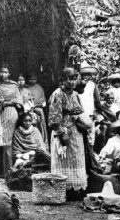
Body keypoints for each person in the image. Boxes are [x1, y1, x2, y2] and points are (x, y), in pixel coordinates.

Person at [48, 68, 87, 198]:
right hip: (63, 129)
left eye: (74, 79)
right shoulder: (57, 94)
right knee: (62, 158)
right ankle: (63, 189)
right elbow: (54, 118)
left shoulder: (75, 95)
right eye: (69, 79)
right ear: (63, 80)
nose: (72, 82)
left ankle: (76, 190)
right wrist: (61, 133)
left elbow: (80, 111)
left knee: (77, 158)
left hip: (75, 130)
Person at [0, 65, 23, 170]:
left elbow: (19, 102)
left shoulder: (14, 86)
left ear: (9, 74)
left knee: (7, 140)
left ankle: (7, 169)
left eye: (5, 72)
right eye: (1, 71)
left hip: (10, 112)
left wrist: (7, 102)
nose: (3, 74)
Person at [24, 72, 48, 146]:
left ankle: (41, 144)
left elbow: (44, 103)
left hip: (39, 110)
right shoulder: (25, 88)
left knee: (40, 128)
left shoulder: (39, 88)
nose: (32, 81)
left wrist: (35, 105)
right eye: (30, 79)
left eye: (34, 79)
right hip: (28, 111)